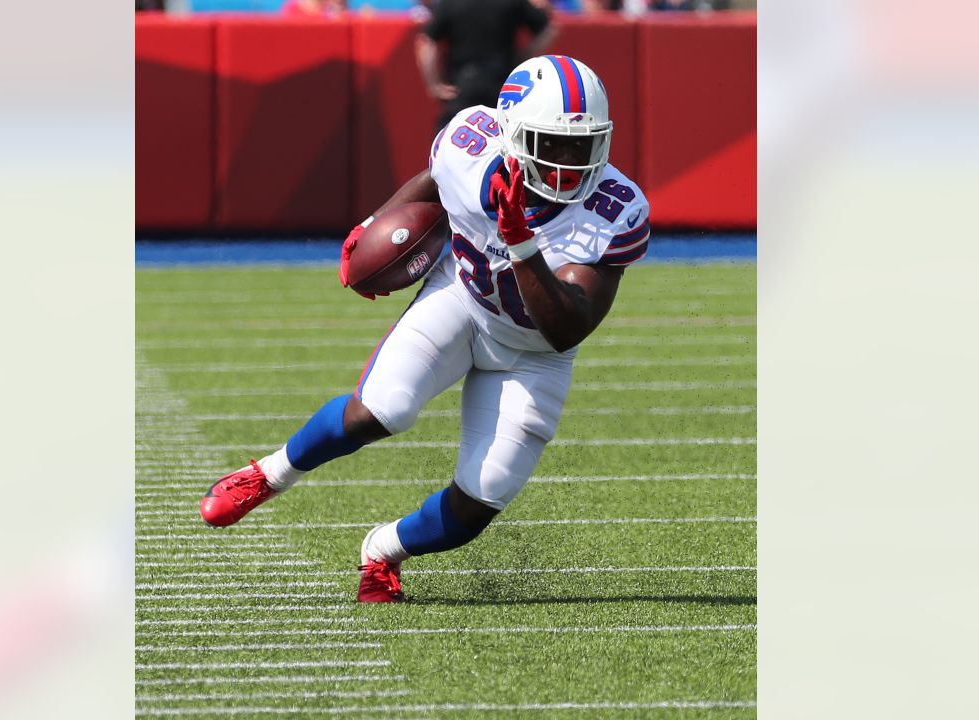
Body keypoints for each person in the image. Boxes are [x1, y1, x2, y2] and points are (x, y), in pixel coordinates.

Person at [199, 55, 651, 603]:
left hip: (533, 354)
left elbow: (563, 328)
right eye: (549, 143)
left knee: (478, 502)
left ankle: (384, 549)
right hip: (461, 295)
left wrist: (520, 240)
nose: (567, 162)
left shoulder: (615, 209)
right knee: (382, 409)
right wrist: (370, 229)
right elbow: (433, 185)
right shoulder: (469, 142)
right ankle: (268, 475)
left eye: (581, 145)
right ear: (510, 134)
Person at [416, 0, 559, 129]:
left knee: (452, 144)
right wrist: (524, 55)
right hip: (502, 88)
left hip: (462, 88)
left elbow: (427, 41)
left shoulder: (451, 3)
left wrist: (434, 85)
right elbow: (548, 29)